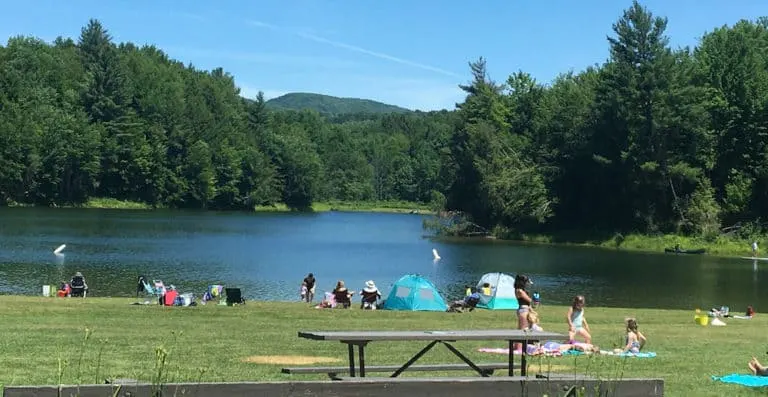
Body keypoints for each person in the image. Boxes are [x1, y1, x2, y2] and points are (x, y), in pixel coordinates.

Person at [514, 274, 533, 350]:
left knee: (521, 329)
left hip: (523, 309)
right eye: (525, 282)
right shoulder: (520, 291)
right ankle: (519, 348)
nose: (526, 284)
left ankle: (517, 346)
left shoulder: (518, 290)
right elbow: (529, 300)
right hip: (523, 310)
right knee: (522, 330)